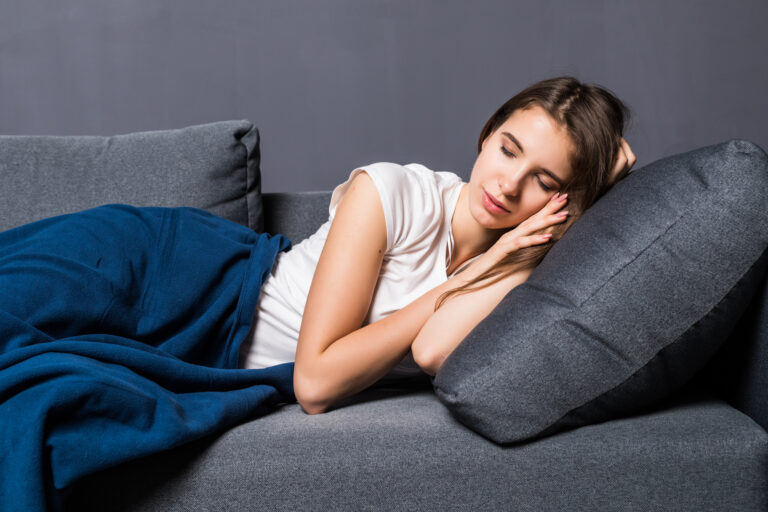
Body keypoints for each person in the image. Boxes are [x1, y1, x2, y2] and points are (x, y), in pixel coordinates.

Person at [236, 76, 636, 414]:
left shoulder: (515, 265)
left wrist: (552, 234)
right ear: (487, 134)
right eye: (508, 150)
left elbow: (431, 349)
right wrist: (480, 269)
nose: (509, 184)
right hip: (218, 307)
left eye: (544, 182)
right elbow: (314, 384)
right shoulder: (388, 192)